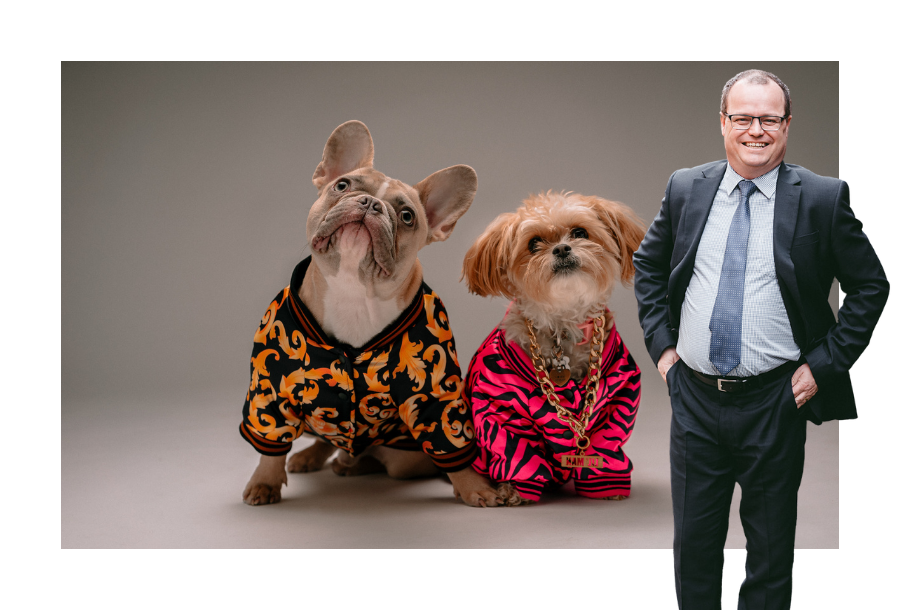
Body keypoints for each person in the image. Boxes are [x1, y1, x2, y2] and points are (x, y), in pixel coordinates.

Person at [632, 69, 889, 609]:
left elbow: (871, 285)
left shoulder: (821, 197)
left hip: (776, 400)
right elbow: (649, 266)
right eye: (743, 118)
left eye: (769, 119)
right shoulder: (686, 187)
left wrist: (824, 364)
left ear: (787, 125)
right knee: (695, 550)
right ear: (723, 122)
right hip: (695, 396)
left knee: (771, 554)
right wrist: (663, 349)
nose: (756, 130)